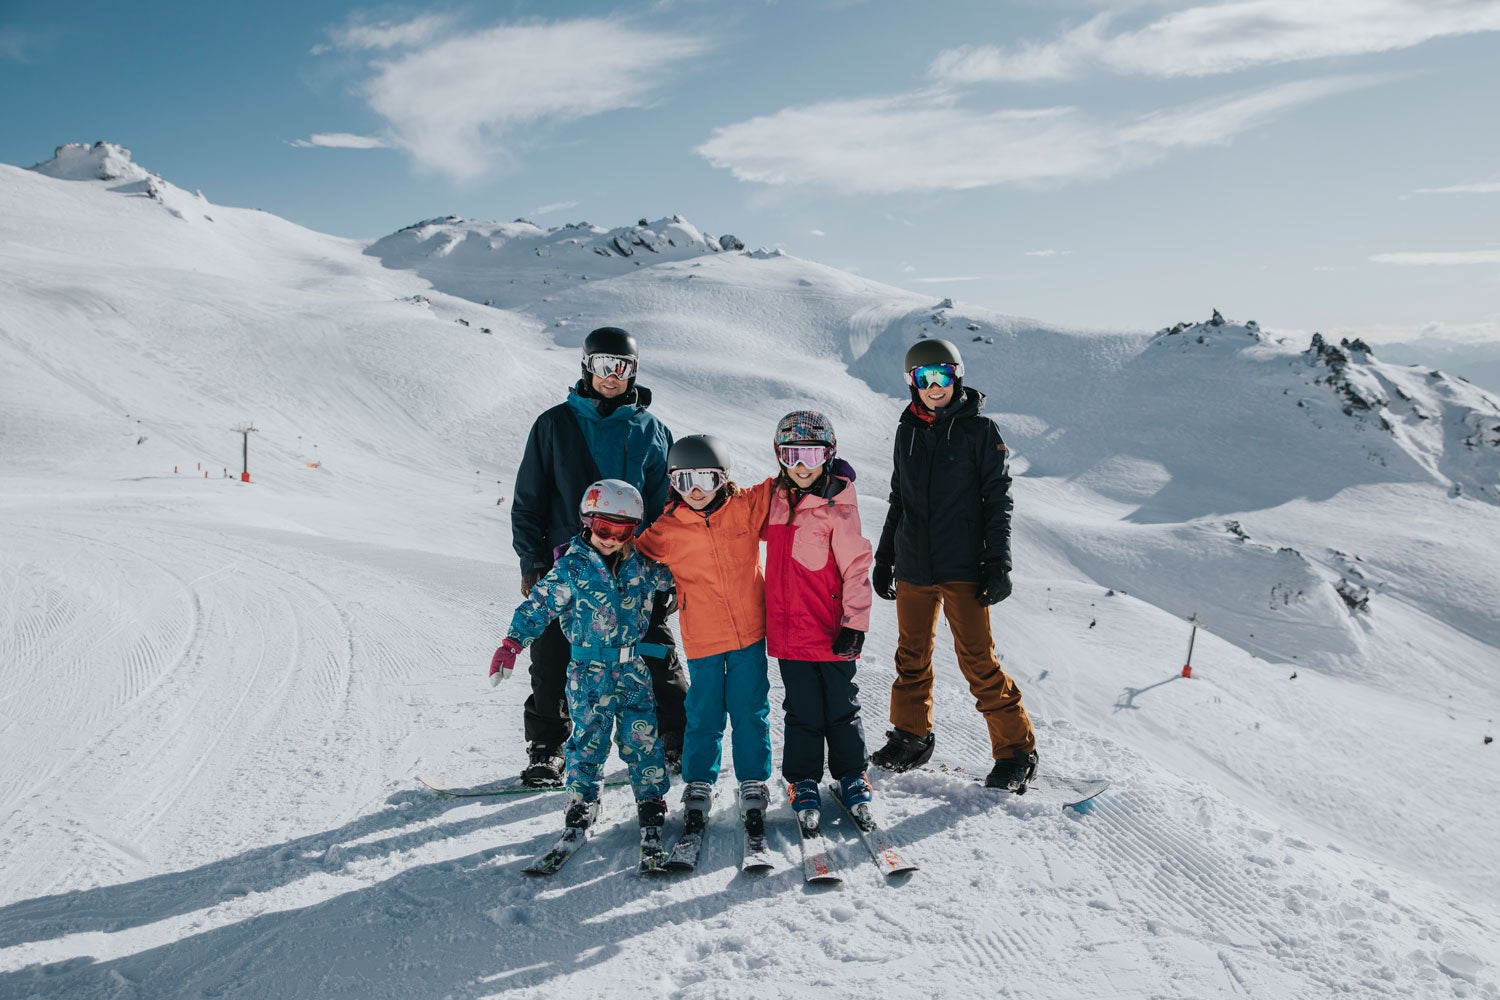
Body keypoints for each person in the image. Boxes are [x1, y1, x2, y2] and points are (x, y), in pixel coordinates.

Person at [510, 326, 688, 786]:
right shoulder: (554, 425)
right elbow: (528, 501)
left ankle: (676, 737)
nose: (612, 375)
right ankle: (548, 748)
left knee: (653, 649)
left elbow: (668, 510)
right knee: (553, 656)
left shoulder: (652, 431)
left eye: (622, 367)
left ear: (634, 371)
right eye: (604, 365)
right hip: (568, 564)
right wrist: (533, 563)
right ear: (587, 366)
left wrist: (668, 569)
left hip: (635, 568)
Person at [870, 340, 1039, 791]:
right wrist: (885, 557)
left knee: (978, 662)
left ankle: (1016, 752)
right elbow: (899, 500)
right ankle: (911, 736)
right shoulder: (907, 431)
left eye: (942, 375)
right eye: (923, 378)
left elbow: (998, 501)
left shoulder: (980, 431)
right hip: (913, 566)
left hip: (962, 565)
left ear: (957, 375)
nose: (934, 386)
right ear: (912, 384)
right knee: (910, 658)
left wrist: (998, 562)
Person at [490, 480, 674, 850]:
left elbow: (688, 576)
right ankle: (582, 801)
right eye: (604, 529)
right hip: (587, 673)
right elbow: (539, 605)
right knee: (588, 741)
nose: (611, 539)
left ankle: (651, 797)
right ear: (587, 522)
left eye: (622, 531)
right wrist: (512, 644)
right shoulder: (572, 568)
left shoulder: (642, 566)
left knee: (642, 738)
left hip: (632, 669)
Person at [633, 435, 775, 841]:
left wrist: (829, 471)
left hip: (749, 633)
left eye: (706, 479)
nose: (695, 490)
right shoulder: (668, 528)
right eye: (684, 481)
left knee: (750, 709)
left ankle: (752, 779)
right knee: (704, 712)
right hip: (703, 638)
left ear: (724, 478)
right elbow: (628, 559)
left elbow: (784, 484)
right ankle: (699, 781)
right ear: (672, 483)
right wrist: (584, 557)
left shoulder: (745, 508)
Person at [761, 411, 876, 824]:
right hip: (790, 634)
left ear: (828, 455)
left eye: (810, 455)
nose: (801, 466)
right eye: (791, 455)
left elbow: (856, 566)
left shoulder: (837, 506)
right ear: (780, 456)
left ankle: (852, 775)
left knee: (842, 707)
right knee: (801, 710)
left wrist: (855, 623)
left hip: (830, 631)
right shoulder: (776, 498)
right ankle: (803, 779)